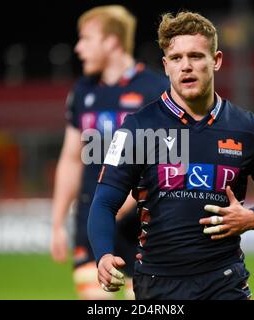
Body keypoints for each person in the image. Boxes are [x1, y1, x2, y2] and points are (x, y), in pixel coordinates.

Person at [88, 11, 254, 300]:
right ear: (165, 66)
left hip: (225, 280)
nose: (186, 66)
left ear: (217, 60)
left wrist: (252, 217)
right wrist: (103, 255)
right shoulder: (138, 128)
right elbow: (104, 202)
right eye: (176, 58)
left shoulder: (247, 128)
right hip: (157, 284)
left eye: (196, 56)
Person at [50, 5, 169, 300]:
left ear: (112, 41)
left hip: (144, 223)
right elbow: (70, 158)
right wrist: (57, 223)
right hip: (92, 218)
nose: (78, 48)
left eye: (86, 39)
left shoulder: (157, 89)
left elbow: (169, 164)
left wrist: (121, 204)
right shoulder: (82, 91)